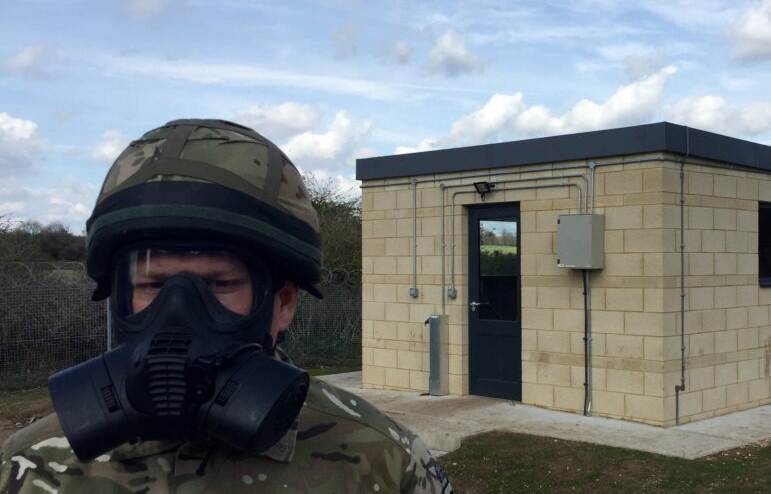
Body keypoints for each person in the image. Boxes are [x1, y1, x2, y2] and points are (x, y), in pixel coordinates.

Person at [0, 119, 453, 493]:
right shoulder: (30, 465)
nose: (177, 312)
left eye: (219, 284)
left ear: (283, 303)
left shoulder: (383, 461)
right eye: (153, 284)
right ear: (118, 297)